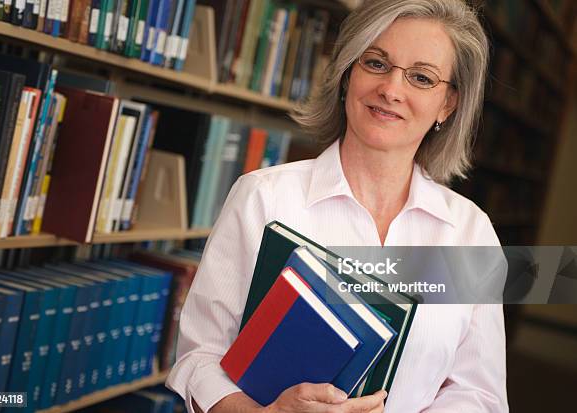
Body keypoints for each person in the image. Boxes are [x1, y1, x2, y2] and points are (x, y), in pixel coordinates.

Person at [167, 0, 509, 412]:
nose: (391, 90)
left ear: (448, 104)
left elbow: (479, 395)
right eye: (376, 63)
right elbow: (199, 357)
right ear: (348, 73)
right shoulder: (264, 197)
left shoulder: (471, 232)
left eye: (421, 77)